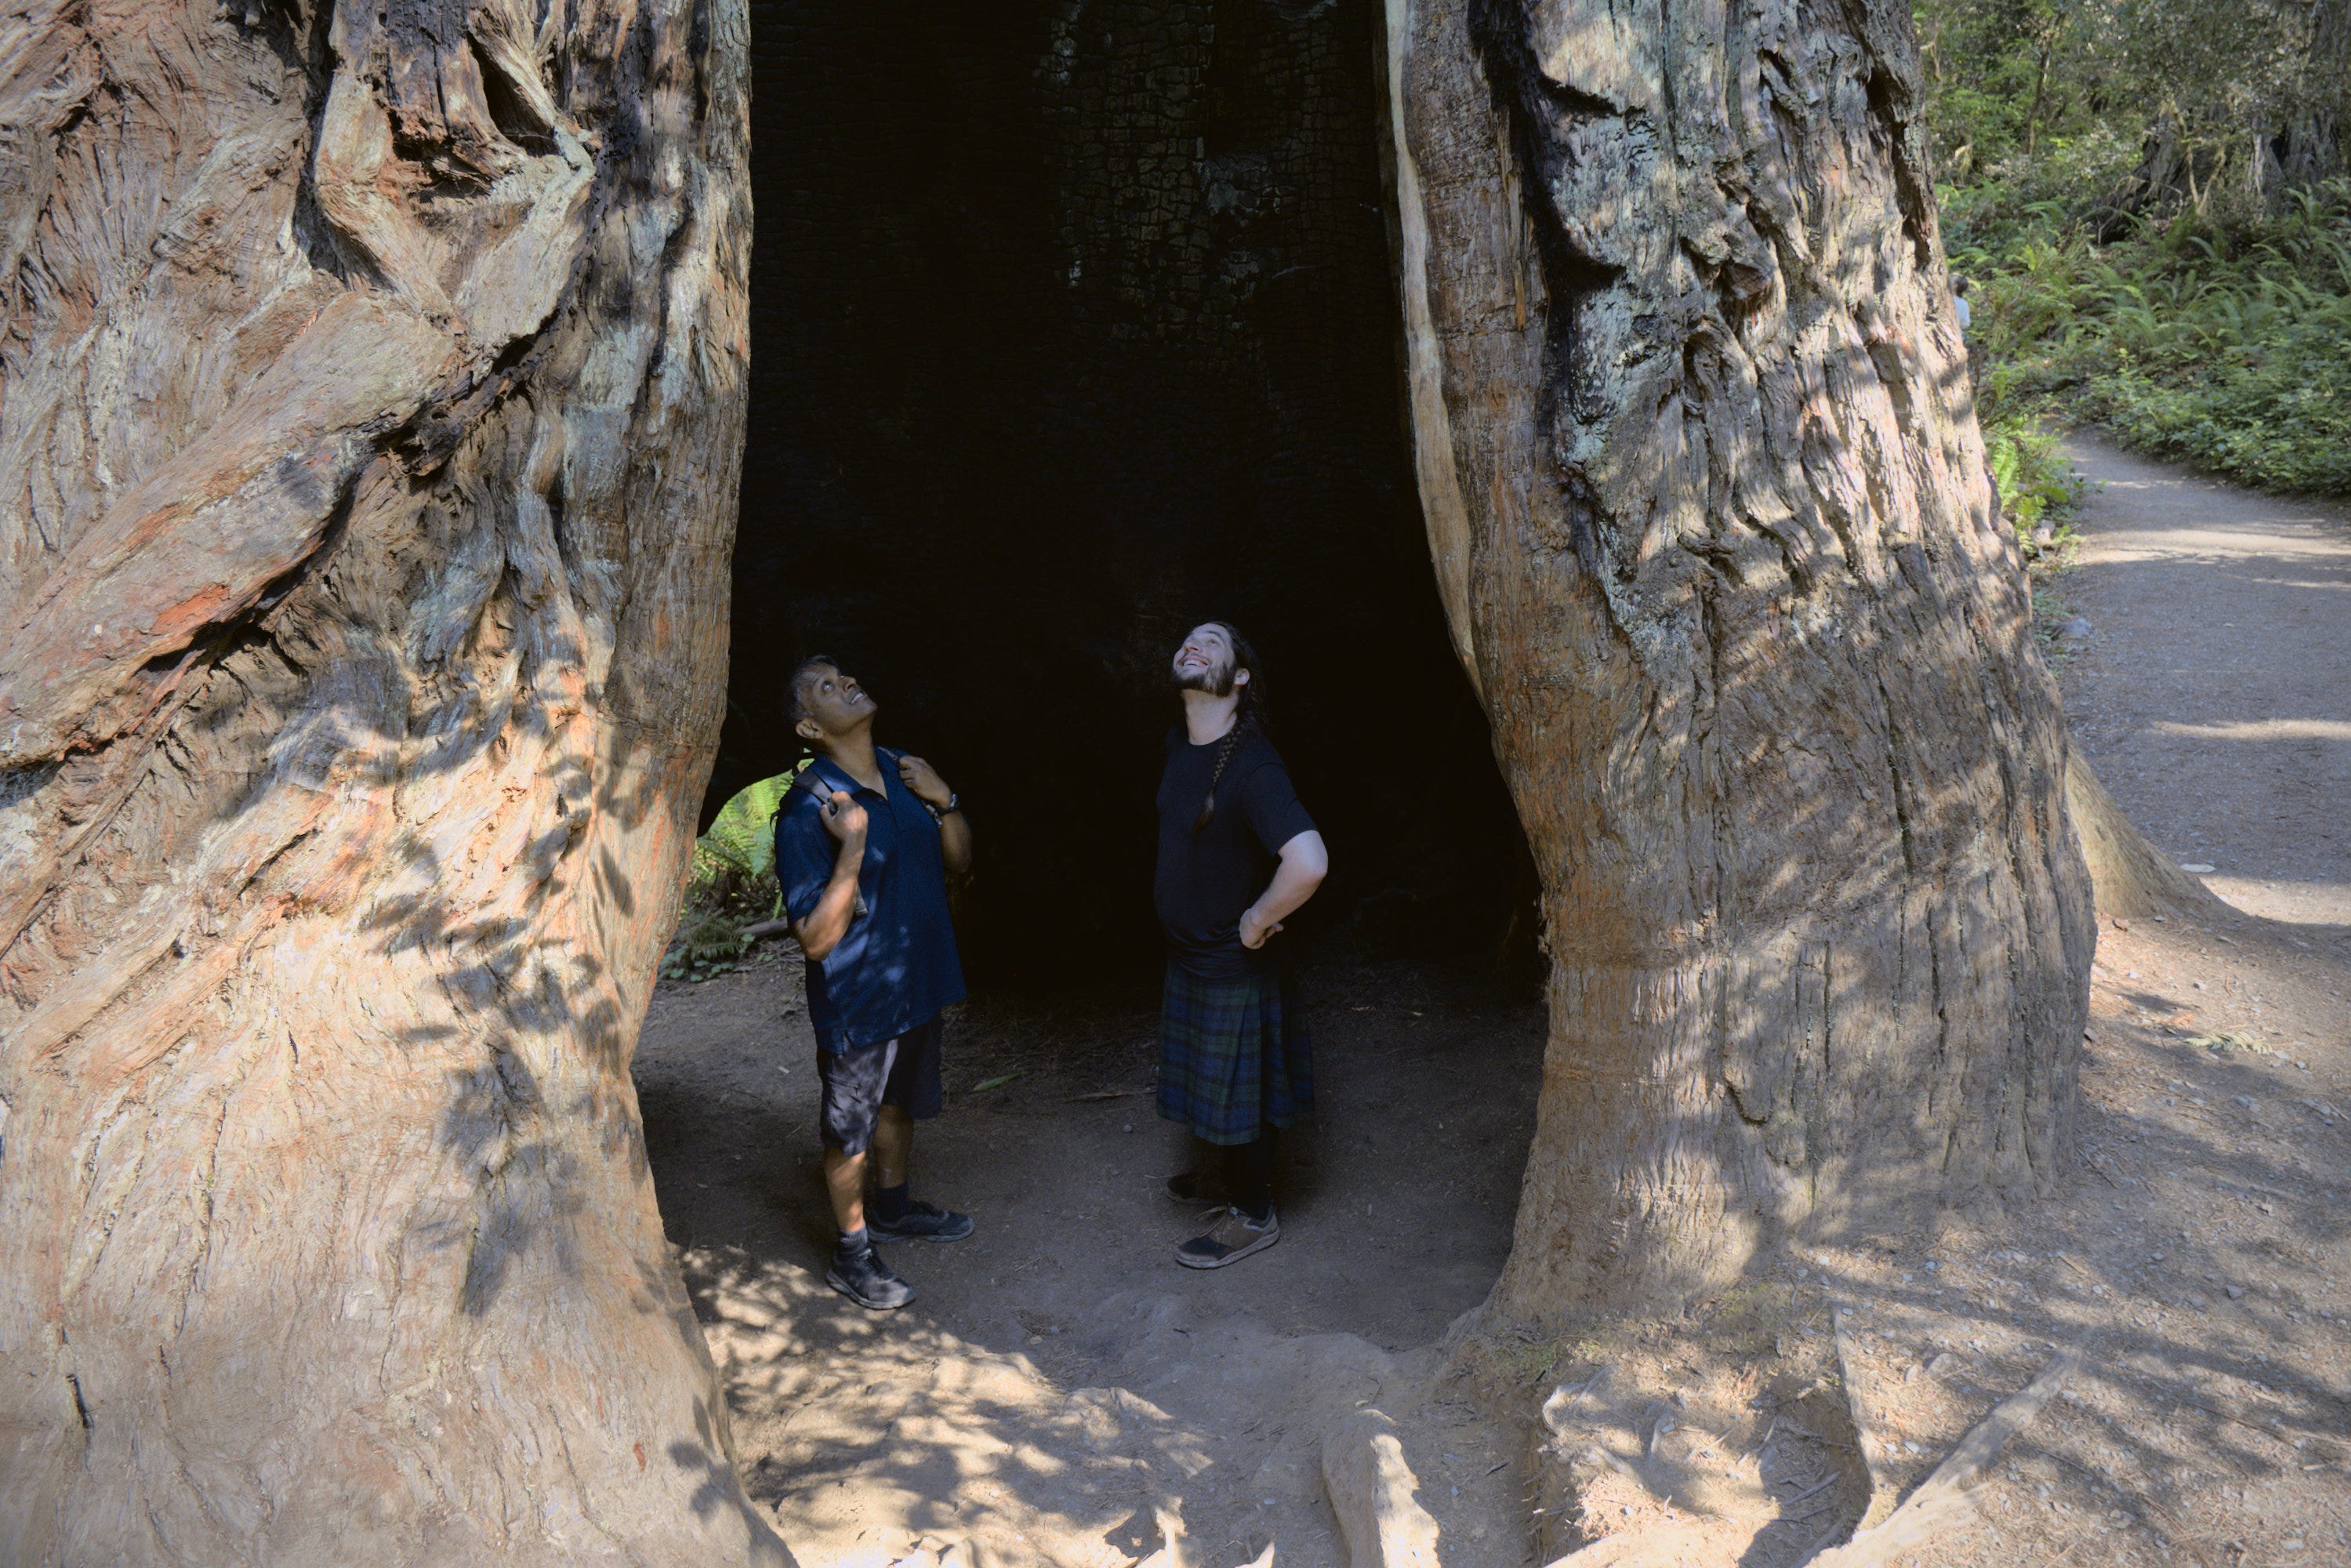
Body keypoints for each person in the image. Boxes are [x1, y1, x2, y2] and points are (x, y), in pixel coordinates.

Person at [774, 657, 974, 1310]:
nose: (849, 684)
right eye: (827, 688)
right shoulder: (808, 811)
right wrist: (853, 846)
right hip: (857, 996)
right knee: (850, 1131)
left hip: (917, 978)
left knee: (899, 1104)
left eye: (845, 676)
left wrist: (945, 798)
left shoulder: (902, 769)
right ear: (810, 727)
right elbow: (815, 939)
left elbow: (959, 861)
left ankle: (893, 1208)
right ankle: (851, 1254)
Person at [1152, 622, 1328, 1268]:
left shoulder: (1253, 766)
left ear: (1240, 677)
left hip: (1233, 963)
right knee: (1215, 1082)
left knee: (1238, 1090)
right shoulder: (1181, 742)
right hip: (1191, 954)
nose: (1192, 645)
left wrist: (1256, 918)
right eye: (1188, 639)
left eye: (1213, 642)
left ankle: (1253, 1214)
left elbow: (1308, 862)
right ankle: (1228, 1177)